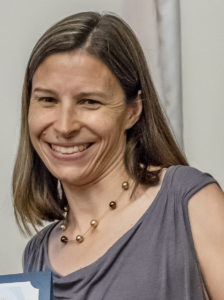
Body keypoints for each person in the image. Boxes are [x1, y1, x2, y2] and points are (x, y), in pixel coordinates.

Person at [12, 11, 224, 300]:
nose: (64, 126)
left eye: (89, 101)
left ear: (132, 111)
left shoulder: (188, 203)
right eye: (47, 100)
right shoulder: (36, 257)